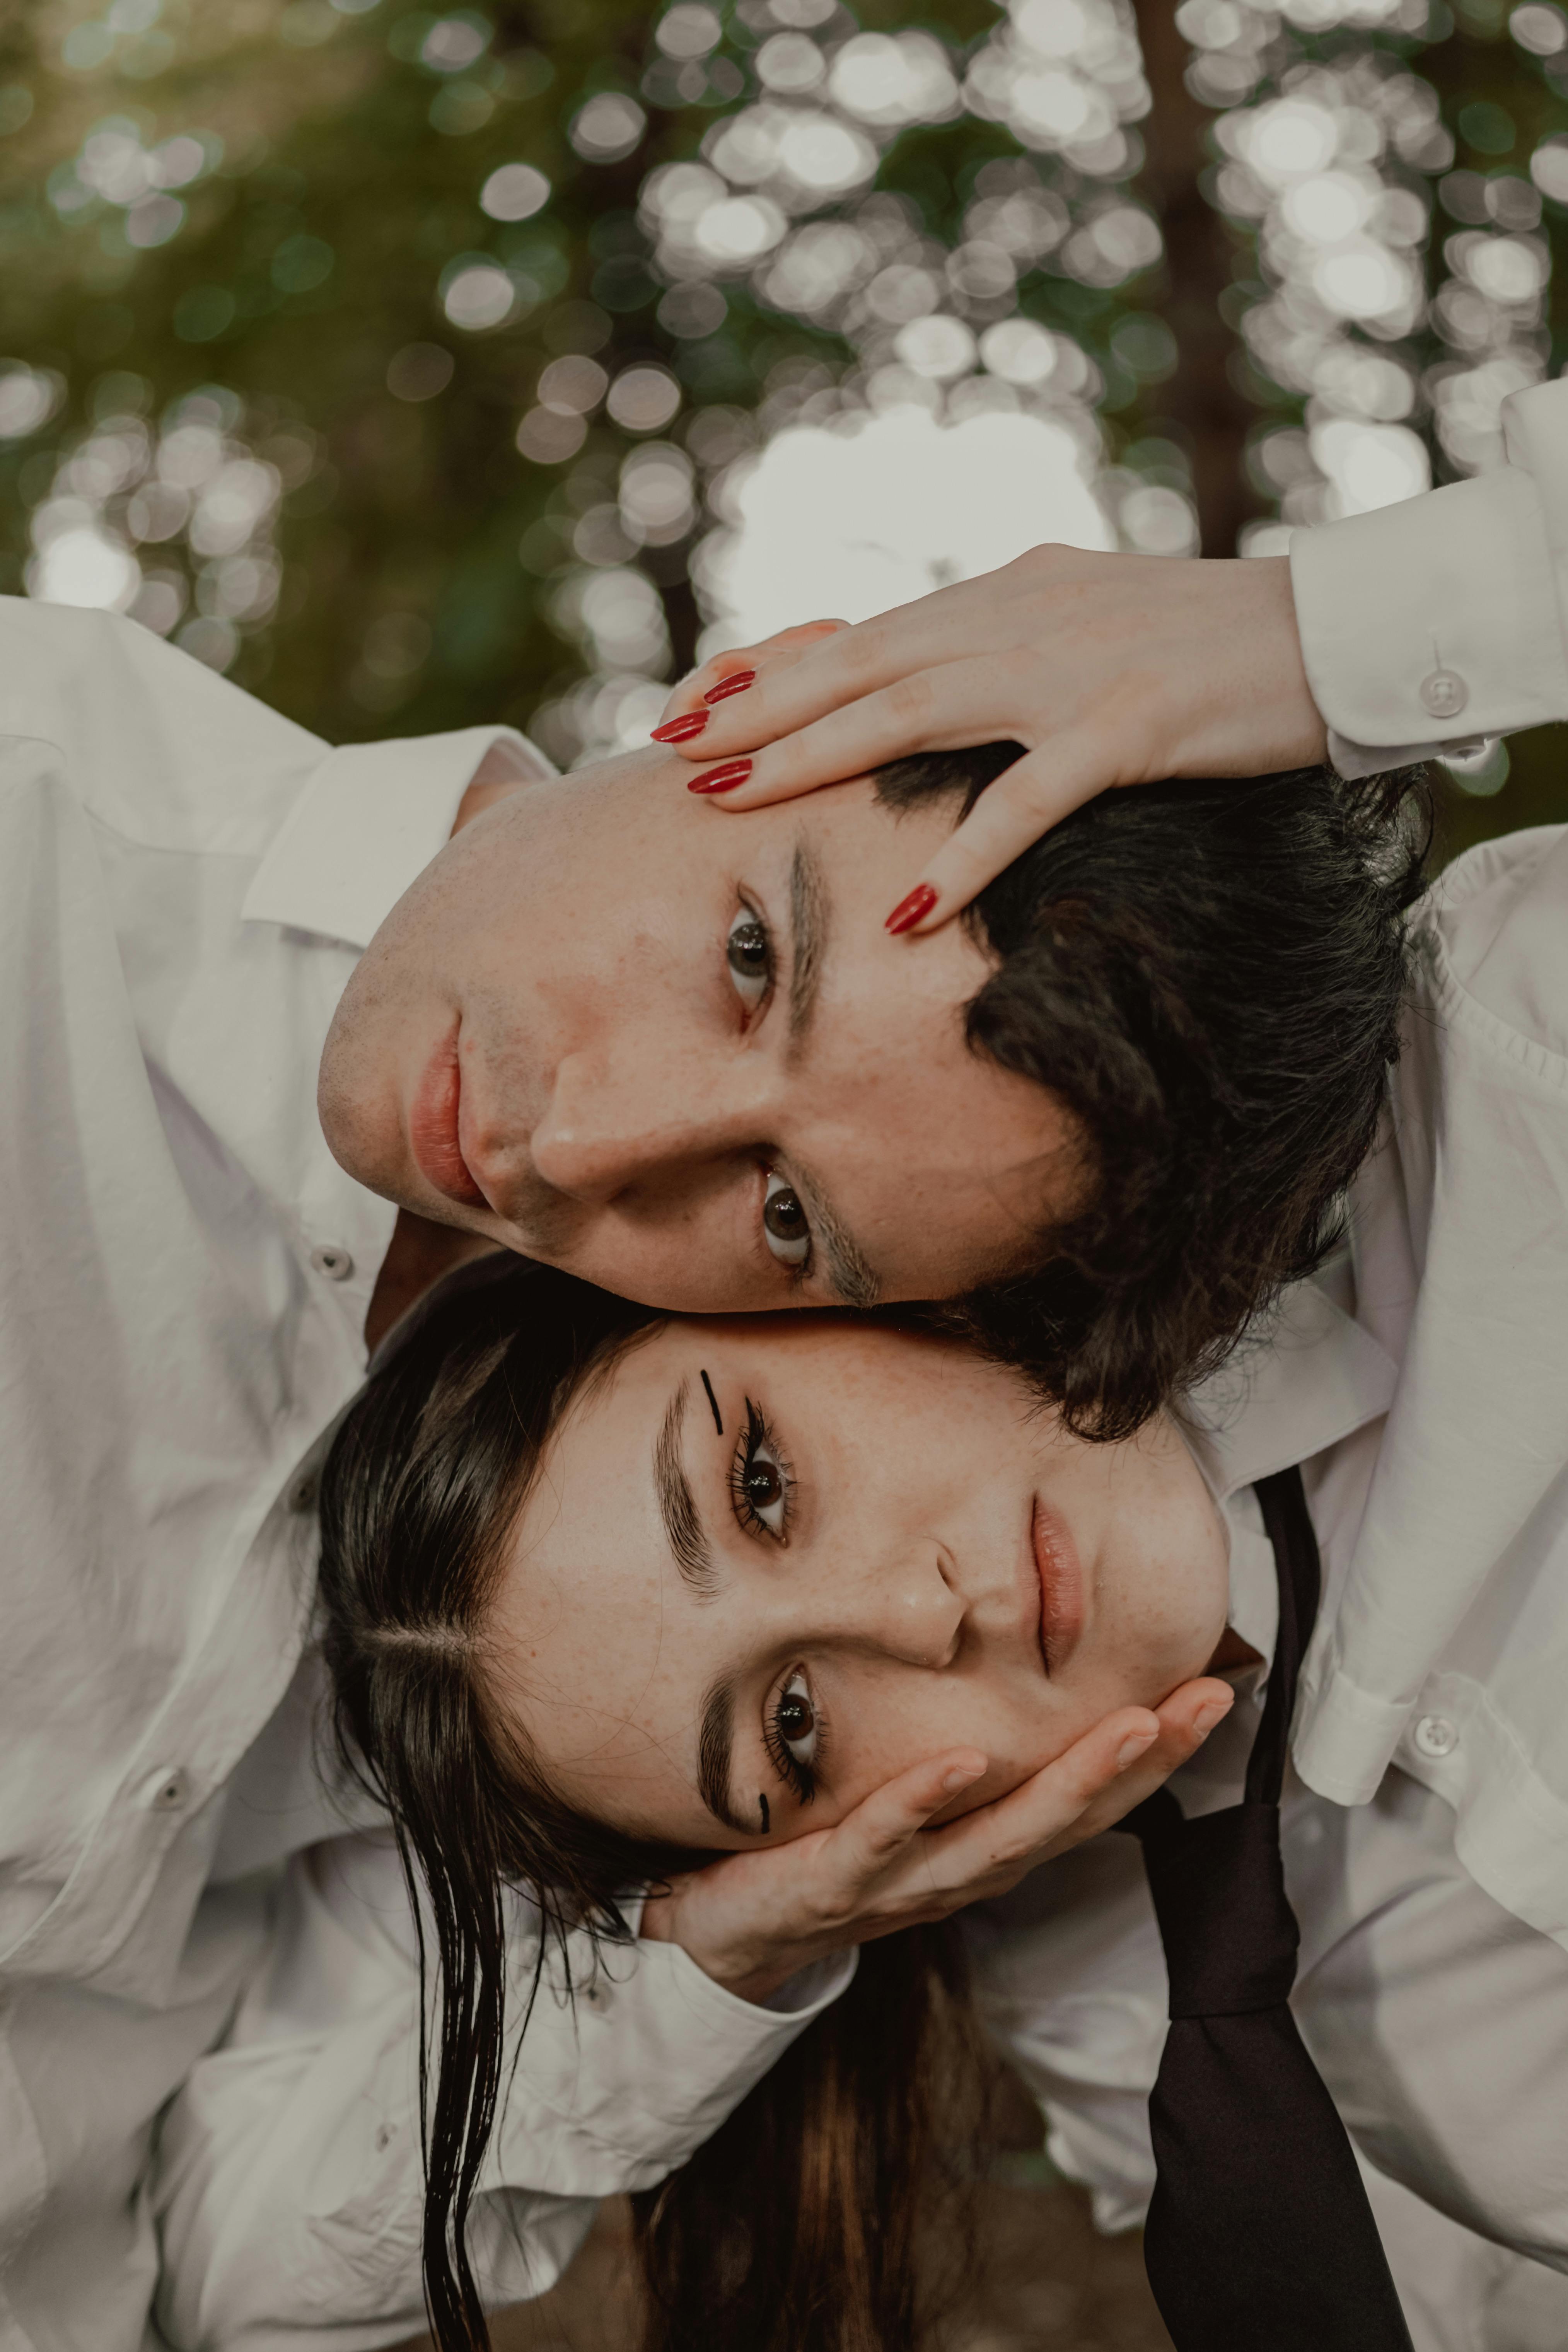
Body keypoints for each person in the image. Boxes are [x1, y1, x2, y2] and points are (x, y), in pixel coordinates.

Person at [0, 595, 1420, 2352]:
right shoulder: (34, 849)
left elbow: (185, 2238)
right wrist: (1328, 624)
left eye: (788, 1214)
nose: (574, 1150)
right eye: (753, 953)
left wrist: (715, 1953)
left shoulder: (545, 1595)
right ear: (765, 690)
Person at [152, 1253, 1568, 2352]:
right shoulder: (1125, 2021)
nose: (919, 1610)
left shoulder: (1511, 1110)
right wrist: (714, 1959)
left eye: (761, 1483)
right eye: (794, 1725)